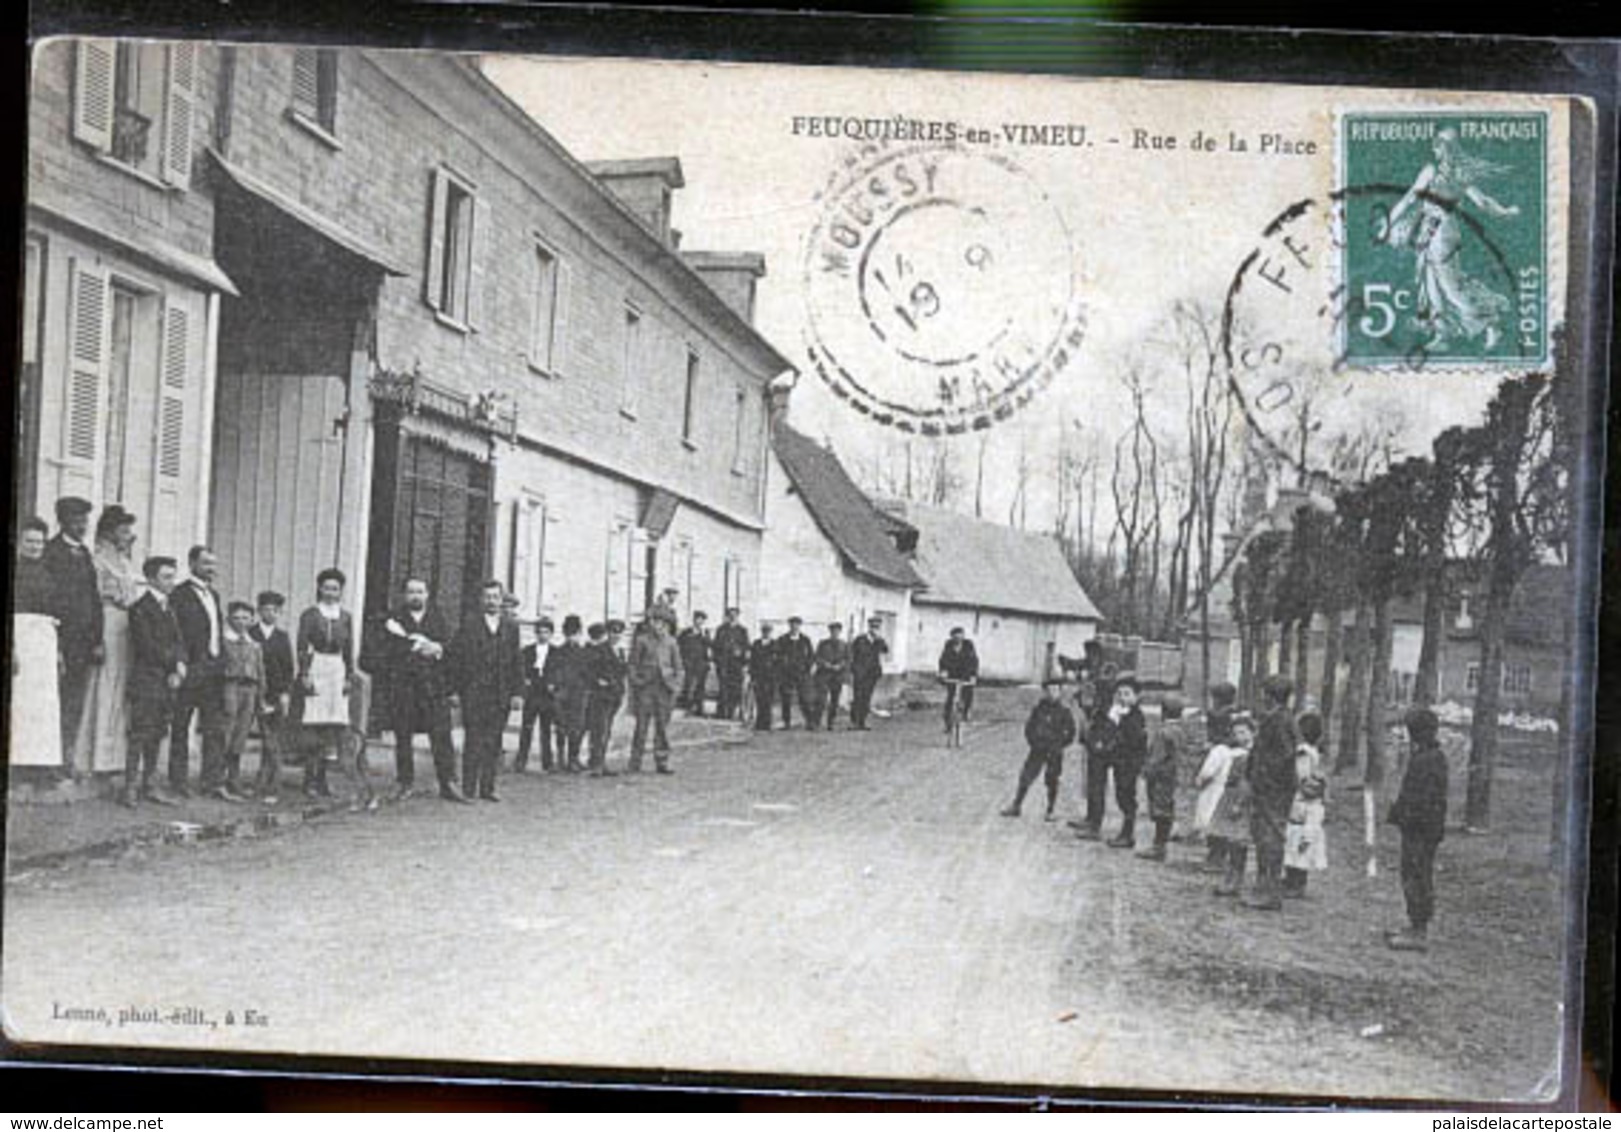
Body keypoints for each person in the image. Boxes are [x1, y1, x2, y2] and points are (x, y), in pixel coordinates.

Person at [1382, 128, 1520, 353]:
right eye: (1436, 144)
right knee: (1432, 283)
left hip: (1442, 232)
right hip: (1431, 230)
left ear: (1446, 148)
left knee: (1450, 285)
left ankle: (1491, 323)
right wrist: (1504, 212)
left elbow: (1410, 199)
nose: (1435, 149)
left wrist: (1505, 212)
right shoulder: (1454, 173)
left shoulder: (1442, 172)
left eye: (1438, 144)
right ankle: (1442, 334)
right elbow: (1482, 202)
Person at [382, 578, 463, 802]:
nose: (415, 596)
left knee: (441, 735)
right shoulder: (394, 620)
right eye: (411, 592)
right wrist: (413, 647)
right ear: (404, 595)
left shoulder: (438, 619)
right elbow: (386, 651)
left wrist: (438, 649)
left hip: (433, 688)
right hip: (405, 687)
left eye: (420, 592)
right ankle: (404, 782)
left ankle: (448, 782)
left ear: (427, 595)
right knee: (403, 735)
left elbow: (449, 649)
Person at [44, 496, 103, 777]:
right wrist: (55, 641)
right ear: (63, 521)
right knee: (56, 700)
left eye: (84, 520)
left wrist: (97, 639)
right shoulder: (51, 552)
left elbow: (94, 599)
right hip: (61, 640)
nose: (82, 526)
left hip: (84, 642)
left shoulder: (85, 553)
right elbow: (50, 599)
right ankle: (50, 763)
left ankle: (67, 758)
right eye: (77, 520)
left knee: (75, 702)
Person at [451, 580, 523, 802]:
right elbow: (457, 659)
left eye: (495, 597)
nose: (492, 601)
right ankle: (469, 788)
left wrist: (518, 693)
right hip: (474, 692)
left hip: (500, 693)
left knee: (494, 741)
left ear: (501, 600)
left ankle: (488, 788)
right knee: (473, 739)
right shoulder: (470, 625)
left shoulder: (511, 627)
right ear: (482, 600)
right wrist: (454, 690)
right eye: (488, 597)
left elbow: (517, 662)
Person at [121, 556, 185, 808]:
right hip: (146, 679)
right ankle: (130, 787)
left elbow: (180, 641)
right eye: (166, 577)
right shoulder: (140, 608)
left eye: (173, 576)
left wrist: (180, 665)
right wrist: (173, 665)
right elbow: (147, 647)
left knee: (158, 732)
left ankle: (150, 784)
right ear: (150, 579)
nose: (172, 582)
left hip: (167, 680)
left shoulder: (170, 608)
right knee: (140, 733)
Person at [85, 505, 143, 775]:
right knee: (105, 685)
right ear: (109, 532)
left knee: (121, 689)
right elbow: (94, 597)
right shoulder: (97, 559)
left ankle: (115, 758)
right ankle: (95, 756)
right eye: (123, 531)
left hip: (126, 625)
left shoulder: (125, 562)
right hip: (108, 622)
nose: (129, 536)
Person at [295, 567, 360, 805]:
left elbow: (349, 648)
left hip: (337, 669)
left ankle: (323, 779)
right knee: (314, 724)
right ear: (319, 589)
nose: (331, 592)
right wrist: (304, 673)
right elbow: (302, 645)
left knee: (332, 727)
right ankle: (309, 778)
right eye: (326, 588)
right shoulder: (310, 615)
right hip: (317, 666)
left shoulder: (345, 617)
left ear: (341, 591)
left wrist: (348, 676)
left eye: (335, 588)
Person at [1387, 707, 1448, 952]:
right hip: (1418, 827)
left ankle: (1419, 930)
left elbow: (1422, 800)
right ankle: (1414, 924)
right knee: (1412, 873)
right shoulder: (1427, 756)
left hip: (1420, 830)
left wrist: (1404, 816)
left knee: (1417, 875)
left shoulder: (1428, 760)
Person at [170, 545, 227, 799]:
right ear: (192, 564)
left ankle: (212, 782)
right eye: (205, 563)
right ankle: (178, 781)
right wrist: (183, 664)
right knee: (181, 726)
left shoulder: (213, 595)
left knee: (214, 728)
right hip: (191, 669)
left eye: (213, 564)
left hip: (213, 671)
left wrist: (220, 660)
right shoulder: (179, 594)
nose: (210, 569)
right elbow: (176, 633)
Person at [12, 518, 64, 775]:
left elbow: (53, 608)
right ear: (20, 541)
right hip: (20, 637)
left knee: (42, 704)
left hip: (44, 640)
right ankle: (17, 767)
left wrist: (58, 651)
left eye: (40, 542)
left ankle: (38, 766)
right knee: (20, 703)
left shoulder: (48, 571)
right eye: (30, 541)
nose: (35, 546)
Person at [1245, 674, 1299, 911]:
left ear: (1270, 695)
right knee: (1262, 836)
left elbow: (1286, 756)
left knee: (1271, 837)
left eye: (1264, 693)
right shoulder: (1276, 718)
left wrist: (1265, 776)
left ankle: (1271, 891)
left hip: (1274, 791)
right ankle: (1264, 885)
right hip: (1267, 788)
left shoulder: (1280, 721)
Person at [1074, 673, 1147, 848]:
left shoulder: (1136, 717)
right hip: (1106, 755)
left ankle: (1127, 833)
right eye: (1120, 693)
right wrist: (1098, 742)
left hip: (1126, 760)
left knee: (1125, 795)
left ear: (1137, 697)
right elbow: (1100, 727)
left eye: (1127, 694)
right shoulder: (1111, 710)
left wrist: (1119, 725)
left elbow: (1134, 740)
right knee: (1097, 785)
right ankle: (1094, 823)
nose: (1122, 697)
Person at [1000, 678, 1076, 821]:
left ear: (1060, 692)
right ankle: (1016, 805)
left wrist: (1059, 744)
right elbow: (1029, 728)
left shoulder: (1065, 712)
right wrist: (1034, 741)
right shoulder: (1038, 709)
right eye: (1049, 690)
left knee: (1052, 779)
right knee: (1026, 776)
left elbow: (1071, 732)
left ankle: (1050, 809)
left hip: (1054, 752)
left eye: (1055, 690)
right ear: (1044, 692)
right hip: (1037, 750)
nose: (1052, 693)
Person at [249, 592, 296, 805]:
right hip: (253, 692)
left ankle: (271, 785)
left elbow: (288, 668)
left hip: (275, 695)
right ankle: (255, 782)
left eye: (275, 610)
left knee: (272, 741)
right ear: (259, 611)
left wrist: (285, 693)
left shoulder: (282, 637)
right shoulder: (250, 633)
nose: (270, 613)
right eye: (266, 609)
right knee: (247, 736)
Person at [219, 601, 266, 799]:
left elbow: (261, 672)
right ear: (229, 619)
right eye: (237, 617)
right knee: (226, 732)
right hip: (230, 687)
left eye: (245, 618)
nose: (241, 622)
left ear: (252, 620)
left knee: (241, 734)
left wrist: (261, 698)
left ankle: (234, 779)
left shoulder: (254, 645)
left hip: (251, 689)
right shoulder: (223, 641)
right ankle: (218, 780)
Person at [628, 608, 683, 774]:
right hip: (646, 688)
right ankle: (635, 761)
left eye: (661, 623)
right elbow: (632, 665)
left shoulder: (671, 642)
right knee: (641, 727)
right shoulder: (642, 640)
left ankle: (662, 761)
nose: (658, 625)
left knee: (662, 728)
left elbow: (679, 668)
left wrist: (676, 686)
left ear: (666, 625)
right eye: (655, 622)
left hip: (664, 689)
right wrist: (637, 681)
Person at [1209, 713, 1256, 896]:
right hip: (1230, 796)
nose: (1240, 737)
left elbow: (1247, 781)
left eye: (1244, 732)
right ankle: (1230, 877)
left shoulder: (1250, 755)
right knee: (1230, 839)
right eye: (1236, 733)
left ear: (1252, 733)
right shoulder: (1237, 753)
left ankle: (1235, 880)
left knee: (1238, 841)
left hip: (1240, 798)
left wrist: (1239, 803)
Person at [1283, 711, 1329, 897]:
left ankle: (1297, 883)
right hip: (1306, 800)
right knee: (1295, 841)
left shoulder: (1302, 753)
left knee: (1300, 840)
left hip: (1302, 800)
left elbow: (1302, 777)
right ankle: (1292, 879)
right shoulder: (1314, 751)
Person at [1138, 693, 1187, 861]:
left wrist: (1146, 772)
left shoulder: (1163, 732)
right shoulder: (1181, 730)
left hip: (1161, 777)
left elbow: (1156, 757)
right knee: (1166, 808)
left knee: (1160, 811)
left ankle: (1158, 847)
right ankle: (1161, 845)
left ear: (1163, 712)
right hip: (1173, 775)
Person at [547, 614, 591, 773]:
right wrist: (554, 687)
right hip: (562, 694)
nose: (572, 637)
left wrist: (586, 689)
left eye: (575, 633)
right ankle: (560, 759)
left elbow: (588, 674)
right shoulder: (558, 652)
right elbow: (551, 672)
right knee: (560, 726)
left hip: (578, 695)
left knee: (577, 728)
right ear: (564, 634)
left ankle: (573, 758)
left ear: (579, 633)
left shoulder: (584, 653)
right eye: (569, 634)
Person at [516, 616, 558, 773]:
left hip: (547, 694)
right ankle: (521, 761)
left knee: (546, 729)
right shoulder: (527, 651)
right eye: (539, 632)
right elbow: (521, 670)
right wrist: (525, 681)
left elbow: (559, 672)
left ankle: (548, 762)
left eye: (546, 632)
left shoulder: (556, 652)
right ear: (535, 633)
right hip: (532, 693)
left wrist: (553, 683)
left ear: (551, 634)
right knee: (526, 727)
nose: (542, 635)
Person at [584, 621, 627, 776]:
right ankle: (596, 764)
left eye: (619, 633)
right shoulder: (599, 650)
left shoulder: (621, 651)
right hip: (601, 696)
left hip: (615, 696)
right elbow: (589, 670)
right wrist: (598, 681)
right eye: (613, 632)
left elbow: (623, 672)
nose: (616, 636)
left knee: (607, 730)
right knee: (599, 730)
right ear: (607, 633)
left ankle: (601, 762)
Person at [774, 616, 814, 730]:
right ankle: (786, 722)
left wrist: (806, 668)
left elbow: (811, 656)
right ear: (789, 625)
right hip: (786, 674)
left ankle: (809, 722)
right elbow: (777, 655)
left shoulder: (805, 640)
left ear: (799, 626)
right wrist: (782, 666)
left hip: (801, 674)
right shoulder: (782, 640)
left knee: (804, 698)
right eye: (792, 624)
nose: (794, 627)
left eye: (797, 624)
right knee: (786, 698)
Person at [849, 616, 888, 731]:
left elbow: (885, 650)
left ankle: (862, 722)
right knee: (858, 697)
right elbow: (852, 654)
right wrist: (854, 669)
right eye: (873, 627)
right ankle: (854, 722)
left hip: (872, 674)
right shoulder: (860, 640)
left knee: (866, 698)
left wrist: (879, 639)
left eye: (877, 627)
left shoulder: (878, 641)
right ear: (869, 627)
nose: (875, 629)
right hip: (860, 673)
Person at [937, 627, 980, 732]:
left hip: (966, 674)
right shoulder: (948, 645)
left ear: (963, 636)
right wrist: (943, 672)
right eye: (955, 637)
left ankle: (966, 711)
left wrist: (973, 675)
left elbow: (974, 660)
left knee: (968, 692)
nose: (957, 639)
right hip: (952, 675)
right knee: (950, 698)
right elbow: (943, 659)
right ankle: (948, 723)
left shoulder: (968, 645)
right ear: (952, 637)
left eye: (960, 636)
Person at [712, 608, 750, 721]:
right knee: (723, 687)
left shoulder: (743, 630)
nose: (732, 617)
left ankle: (733, 711)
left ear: (738, 616)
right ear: (727, 616)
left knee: (735, 688)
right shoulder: (721, 630)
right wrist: (717, 661)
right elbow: (716, 646)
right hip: (724, 663)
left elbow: (747, 647)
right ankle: (722, 712)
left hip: (736, 664)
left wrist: (742, 654)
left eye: (735, 615)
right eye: (730, 615)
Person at [812, 622, 851, 731]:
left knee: (835, 700)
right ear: (830, 632)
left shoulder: (844, 645)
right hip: (823, 676)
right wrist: (826, 664)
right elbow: (816, 658)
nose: (835, 633)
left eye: (837, 631)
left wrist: (840, 665)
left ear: (840, 632)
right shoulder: (823, 643)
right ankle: (816, 723)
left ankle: (831, 723)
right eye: (833, 631)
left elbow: (848, 659)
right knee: (821, 700)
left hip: (837, 676)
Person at [677, 610, 712, 717]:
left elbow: (709, 647)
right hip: (689, 663)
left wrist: (708, 662)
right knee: (689, 686)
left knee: (700, 687)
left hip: (701, 664)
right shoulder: (686, 633)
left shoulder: (705, 633)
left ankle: (699, 709)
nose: (699, 622)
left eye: (702, 620)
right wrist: (683, 660)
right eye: (698, 619)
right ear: (694, 620)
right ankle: (688, 708)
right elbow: (679, 646)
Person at [748, 623, 778, 732]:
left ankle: (767, 723)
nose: (766, 633)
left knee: (768, 700)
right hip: (758, 675)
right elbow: (752, 661)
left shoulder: (775, 644)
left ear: (771, 632)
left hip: (770, 677)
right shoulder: (756, 644)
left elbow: (777, 662)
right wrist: (752, 675)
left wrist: (775, 675)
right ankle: (759, 723)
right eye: (764, 631)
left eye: (768, 631)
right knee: (759, 699)